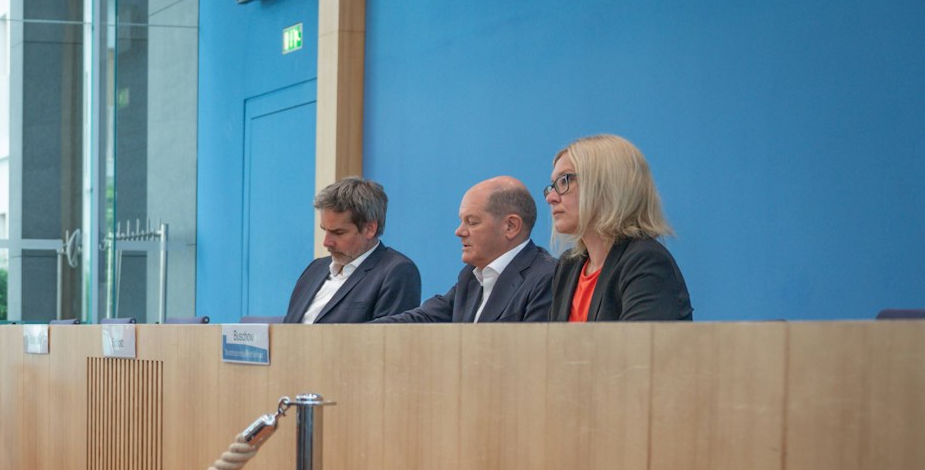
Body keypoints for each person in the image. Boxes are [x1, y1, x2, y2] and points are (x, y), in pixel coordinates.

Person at [543, 134, 693, 322]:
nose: (551, 198)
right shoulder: (568, 266)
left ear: (608, 185)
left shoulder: (646, 262)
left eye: (565, 180)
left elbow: (638, 349)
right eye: (552, 186)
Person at [376, 178, 556, 324]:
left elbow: (532, 354)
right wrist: (353, 333)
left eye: (472, 222)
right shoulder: (471, 276)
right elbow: (424, 318)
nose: (459, 232)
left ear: (510, 226)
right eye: (462, 221)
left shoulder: (546, 278)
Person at [282, 177, 421, 324]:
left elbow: (386, 340)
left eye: (338, 232)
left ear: (369, 229)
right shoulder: (314, 269)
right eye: (325, 230)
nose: (326, 242)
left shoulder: (397, 271)